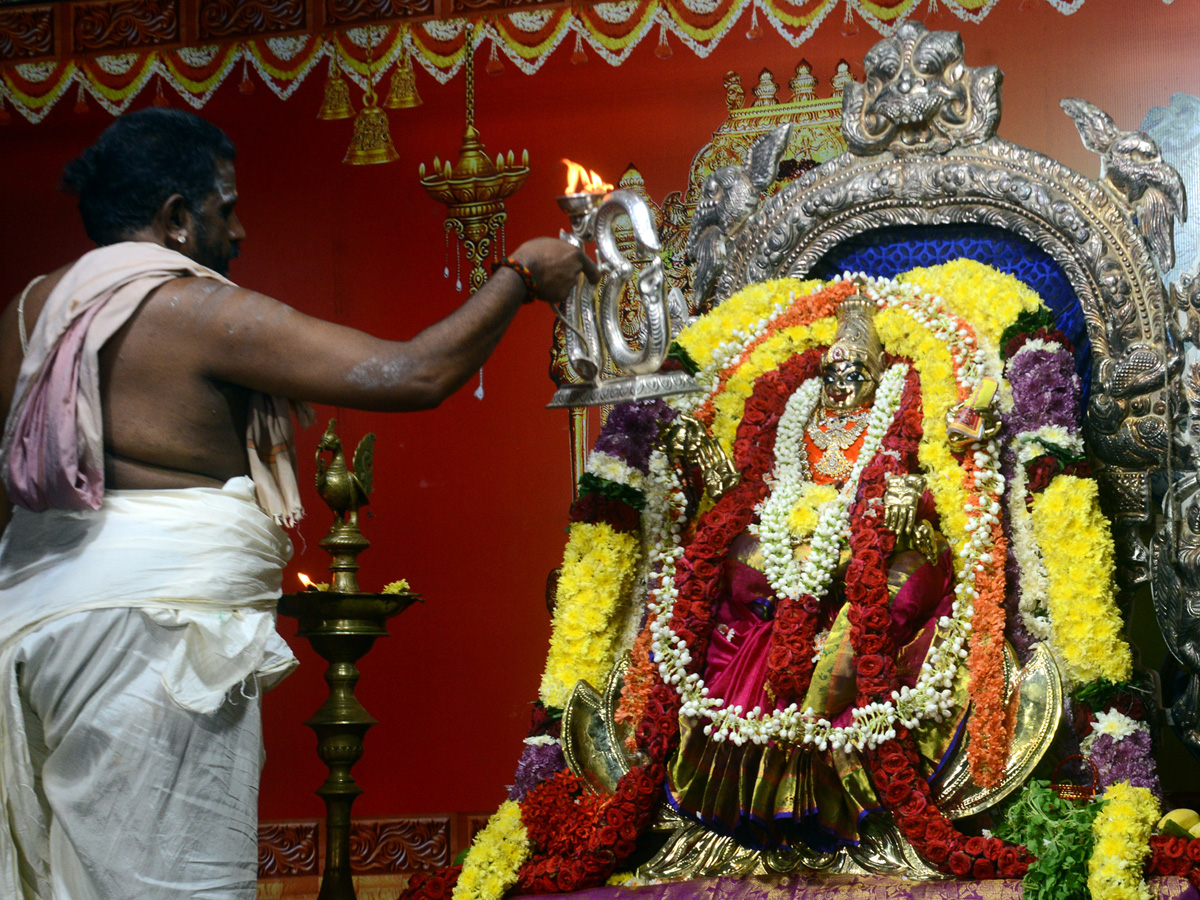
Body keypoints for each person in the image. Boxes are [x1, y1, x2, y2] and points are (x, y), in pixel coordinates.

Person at [0, 107, 597, 900]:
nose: (240, 231)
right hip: (153, 636)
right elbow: (413, 374)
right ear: (178, 218)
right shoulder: (193, 310)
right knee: (171, 883)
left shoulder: (26, 315)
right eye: (226, 207)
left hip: (34, 626)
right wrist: (521, 277)